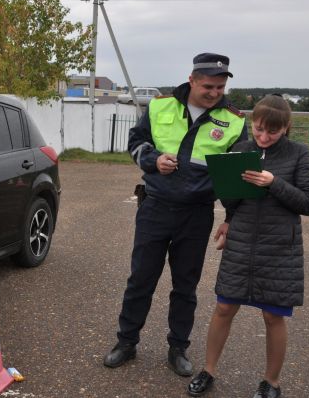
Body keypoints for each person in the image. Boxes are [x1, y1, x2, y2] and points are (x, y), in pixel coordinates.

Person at [104, 53, 248, 377]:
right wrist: (153, 160)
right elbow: (136, 142)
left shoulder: (235, 120)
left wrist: (231, 218)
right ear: (192, 79)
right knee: (140, 280)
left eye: (221, 86)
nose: (215, 93)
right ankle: (126, 342)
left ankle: (178, 348)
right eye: (209, 86)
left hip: (196, 215)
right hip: (155, 207)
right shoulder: (159, 106)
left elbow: (237, 174)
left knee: (186, 286)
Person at [187, 95, 309, 398]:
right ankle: (208, 370)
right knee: (223, 307)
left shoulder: (300, 154)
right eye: (258, 129)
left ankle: (271, 382)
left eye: (271, 132)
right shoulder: (241, 149)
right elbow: (232, 197)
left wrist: (273, 182)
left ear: (286, 127)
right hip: (241, 242)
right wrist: (229, 213)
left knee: (273, 316)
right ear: (252, 123)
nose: (263, 137)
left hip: (278, 249)